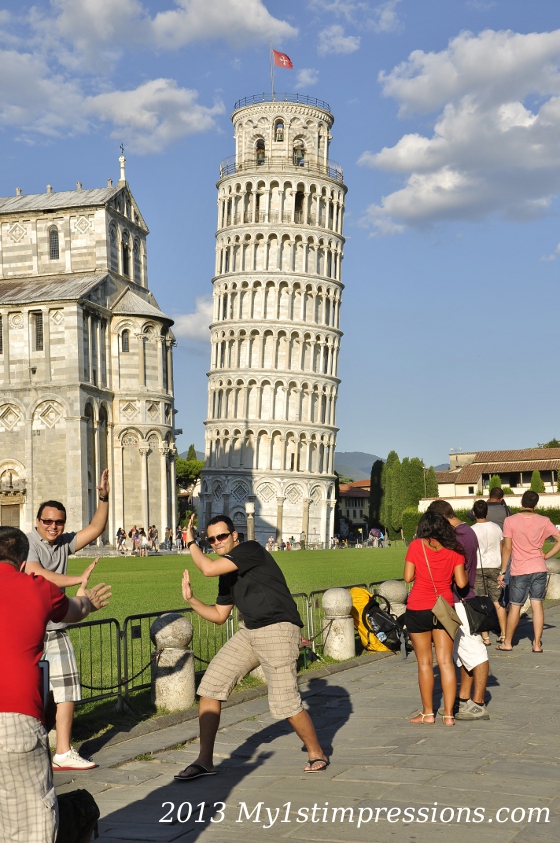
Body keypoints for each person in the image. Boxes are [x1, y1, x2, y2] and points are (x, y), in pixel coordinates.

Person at [175, 514, 328, 779]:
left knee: (285, 703)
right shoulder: (228, 573)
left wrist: (191, 543)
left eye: (221, 536)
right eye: (211, 540)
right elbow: (220, 616)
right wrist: (192, 600)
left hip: (278, 629)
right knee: (211, 687)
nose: (216, 542)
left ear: (235, 535)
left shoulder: (250, 549)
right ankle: (204, 761)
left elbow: (207, 569)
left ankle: (316, 752)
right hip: (250, 631)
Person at [0, 526, 111, 843]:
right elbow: (75, 610)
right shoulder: (36, 587)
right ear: (23, 563)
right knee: (32, 824)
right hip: (15, 719)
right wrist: (87, 600)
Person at [25, 469, 111, 771]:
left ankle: (62, 752)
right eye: (47, 521)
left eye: (58, 522)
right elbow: (37, 573)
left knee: (66, 688)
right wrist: (78, 579)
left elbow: (96, 527)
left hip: (56, 626)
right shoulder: (29, 543)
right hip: (30, 629)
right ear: (37, 522)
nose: (52, 526)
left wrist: (103, 498)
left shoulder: (63, 542)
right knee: (25, 690)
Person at [404, 511, 467, 726]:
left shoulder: (416, 546)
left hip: (418, 607)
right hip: (444, 608)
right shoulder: (456, 549)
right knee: (446, 662)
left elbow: (407, 577)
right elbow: (461, 583)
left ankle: (428, 713)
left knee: (424, 662)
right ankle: (448, 715)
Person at [428, 499, 490, 721]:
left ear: (442, 518)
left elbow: (458, 575)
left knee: (475, 651)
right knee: (463, 654)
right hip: (462, 599)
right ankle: (464, 699)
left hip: (460, 600)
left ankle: (479, 703)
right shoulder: (466, 531)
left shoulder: (459, 537)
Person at [497, 491, 560, 653]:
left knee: (515, 606)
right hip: (539, 567)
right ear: (536, 505)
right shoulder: (544, 520)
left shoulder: (510, 521)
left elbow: (507, 548)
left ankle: (508, 642)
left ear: (521, 502)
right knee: (537, 604)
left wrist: (503, 571)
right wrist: (546, 556)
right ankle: (537, 644)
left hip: (520, 569)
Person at [470, 499, 506, 642]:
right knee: (498, 601)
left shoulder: (472, 530)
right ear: (487, 512)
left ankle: (485, 637)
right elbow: (502, 546)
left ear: (473, 513)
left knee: (481, 601)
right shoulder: (497, 528)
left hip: (479, 567)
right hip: (495, 565)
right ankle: (503, 633)